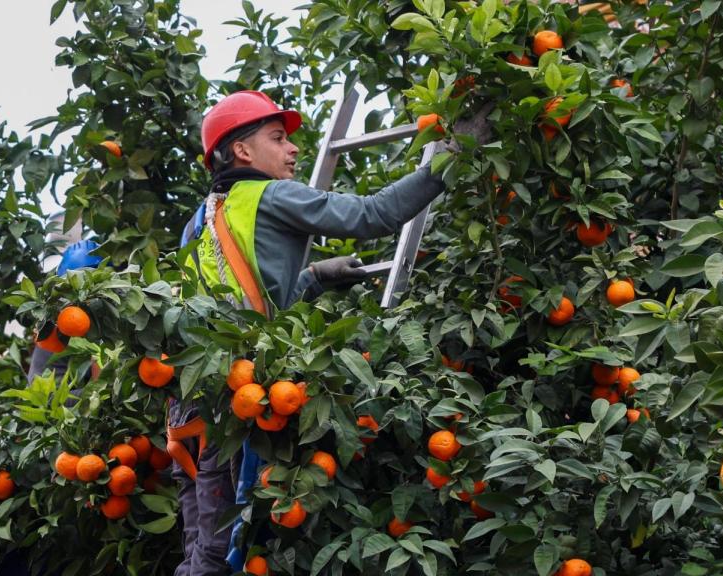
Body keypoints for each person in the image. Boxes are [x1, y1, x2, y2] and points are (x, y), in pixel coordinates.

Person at [169, 90, 490, 575]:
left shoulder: (198, 222)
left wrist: (314, 279)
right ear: (242, 151)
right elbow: (372, 215)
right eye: (278, 138)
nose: (294, 149)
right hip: (230, 405)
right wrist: (447, 162)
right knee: (221, 555)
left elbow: (246, 308)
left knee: (197, 548)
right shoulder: (273, 194)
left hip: (185, 404)